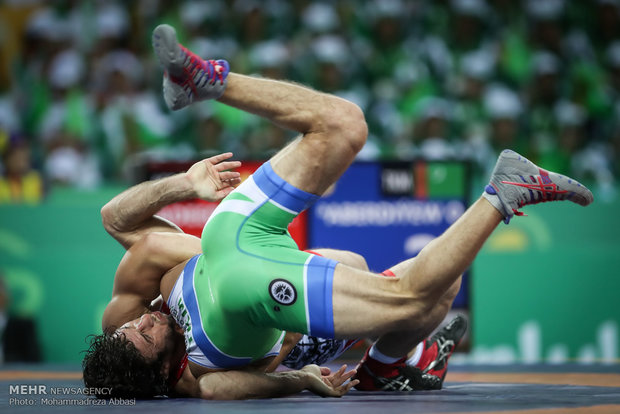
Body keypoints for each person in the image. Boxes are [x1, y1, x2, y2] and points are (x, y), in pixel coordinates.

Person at [82, 24, 593, 400]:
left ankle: (207, 81)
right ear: (160, 371)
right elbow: (216, 389)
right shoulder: (188, 378)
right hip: (248, 281)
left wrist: (183, 182)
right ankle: (392, 362)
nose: (146, 320)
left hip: (237, 254)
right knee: (433, 291)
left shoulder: (131, 310)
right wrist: (295, 379)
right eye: (148, 337)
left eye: (133, 327)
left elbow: (114, 218)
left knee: (345, 131)